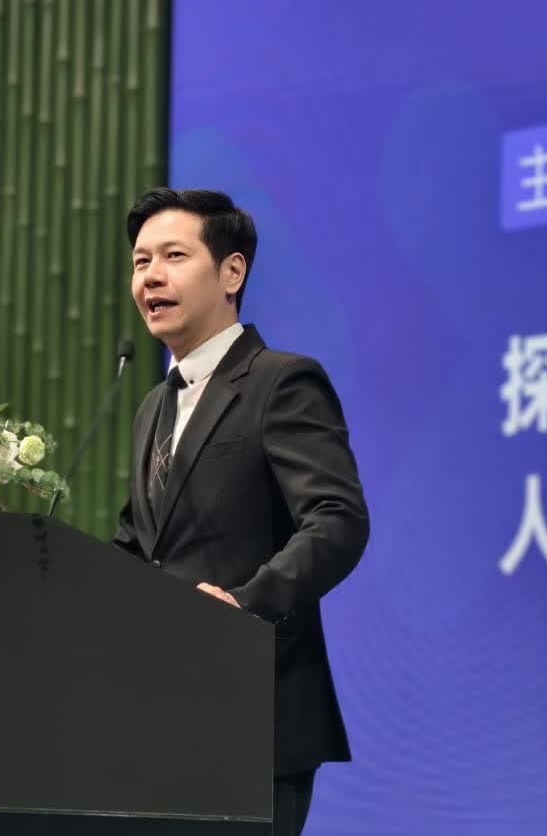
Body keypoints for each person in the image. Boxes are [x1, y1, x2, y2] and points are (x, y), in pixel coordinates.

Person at [113, 188, 369, 836]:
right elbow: (139, 545)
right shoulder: (153, 407)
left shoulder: (280, 381)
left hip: (256, 711)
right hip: (159, 719)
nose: (151, 277)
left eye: (173, 256)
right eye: (141, 261)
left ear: (232, 272)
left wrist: (245, 606)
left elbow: (337, 518)